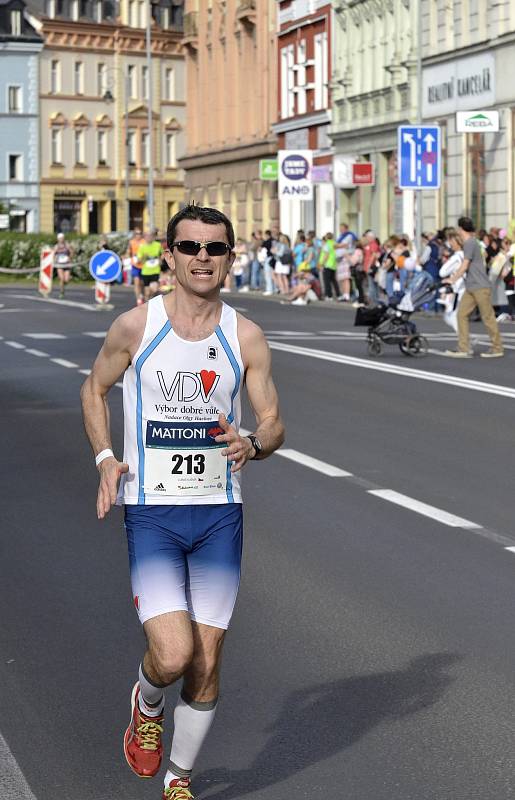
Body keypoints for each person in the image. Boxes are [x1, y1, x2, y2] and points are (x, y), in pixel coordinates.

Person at [80, 204, 285, 800]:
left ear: (228, 259)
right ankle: (146, 703)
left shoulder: (244, 335)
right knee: (172, 655)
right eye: (190, 247)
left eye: (214, 249)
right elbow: (94, 390)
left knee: (207, 660)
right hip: (153, 513)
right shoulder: (135, 327)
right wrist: (103, 459)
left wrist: (253, 442)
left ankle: (179, 779)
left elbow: (273, 423)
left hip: (220, 515)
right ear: (168, 256)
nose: (202, 258)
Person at [443, 216, 504, 358]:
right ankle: (464, 348)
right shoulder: (471, 242)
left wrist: (452, 279)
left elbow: (465, 264)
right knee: (461, 314)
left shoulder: (470, 243)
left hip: (480, 286)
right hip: (472, 287)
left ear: (460, 229)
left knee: (487, 317)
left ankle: (497, 348)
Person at [438, 232, 465, 333]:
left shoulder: (457, 257)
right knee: (456, 316)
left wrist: (452, 276)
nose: (449, 244)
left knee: (453, 316)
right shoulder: (466, 255)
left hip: (460, 289)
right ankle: (465, 341)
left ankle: (465, 342)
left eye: (451, 241)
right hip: (465, 287)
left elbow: (442, 272)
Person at [138, 230, 163, 302]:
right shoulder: (142, 247)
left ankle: (151, 300)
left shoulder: (157, 245)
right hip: (146, 272)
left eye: (150, 236)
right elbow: (139, 259)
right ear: (144, 237)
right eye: (147, 236)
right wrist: (144, 257)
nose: (149, 238)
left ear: (153, 237)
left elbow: (163, 254)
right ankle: (147, 307)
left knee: (154, 289)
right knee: (147, 292)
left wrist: (160, 260)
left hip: (155, 270)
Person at [319, 232, 340, 301]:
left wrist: (322, 263)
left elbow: (326, 255)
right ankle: (338, 294)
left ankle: (329, 296)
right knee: (334, 281)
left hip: (327, 265)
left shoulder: (326, 244)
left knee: (327, 281)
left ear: (326, 237)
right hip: (333, 265)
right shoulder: (334, 243)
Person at [126, 228, 144, 305]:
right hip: (135, 265)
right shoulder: (131, 242)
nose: (138, 235)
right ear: (134, 234)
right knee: (136, 282)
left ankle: (142, 294)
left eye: (140, 233)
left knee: (142, 283)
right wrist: (127, 256)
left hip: (144, 265)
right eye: (137, 233)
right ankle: (138, 299)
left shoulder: (144, 241)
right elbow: (128, 252)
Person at [53, 232, 73, 299]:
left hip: (67, 264)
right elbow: (53, 254)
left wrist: (70, 258)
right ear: (58, 239)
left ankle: (63, 287)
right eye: (60, 238)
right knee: (61, 279)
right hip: (59, 264)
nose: (61, 239)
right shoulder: (56, 246)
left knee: (66, 280)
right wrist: (54, 259)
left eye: (62, 238)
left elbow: (72, 252)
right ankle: (61, 292)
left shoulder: (67, 245)